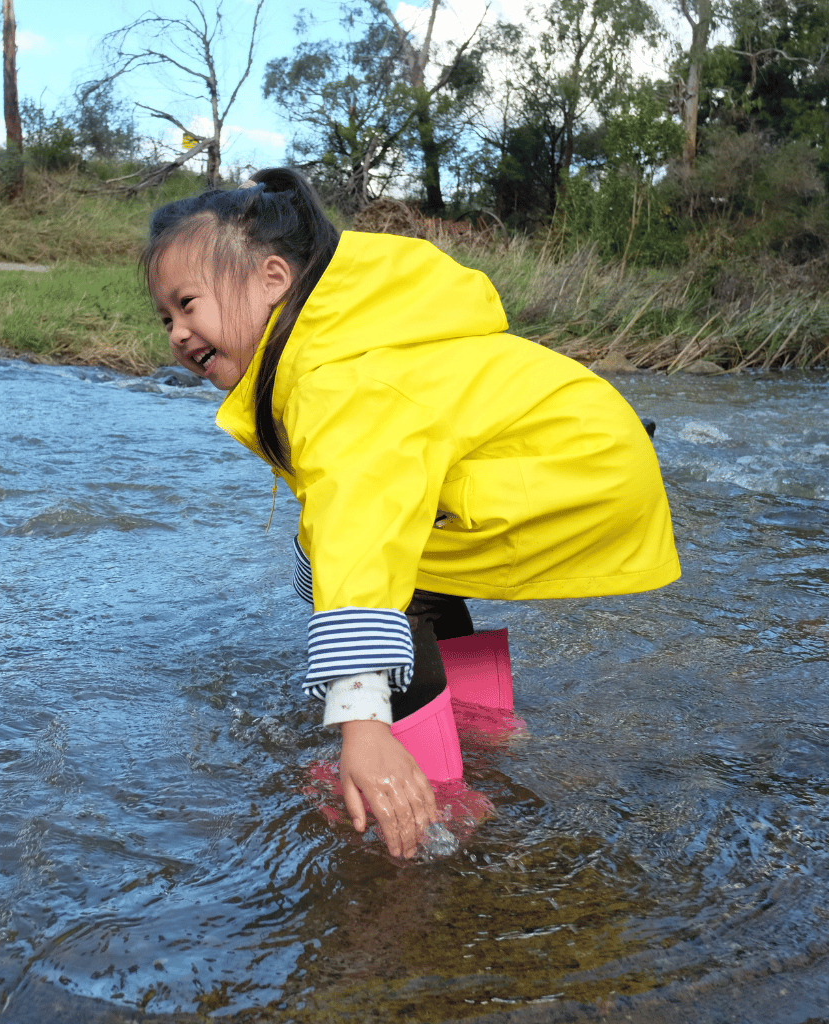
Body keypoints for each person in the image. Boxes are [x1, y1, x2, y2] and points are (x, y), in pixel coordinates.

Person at [143, 167, 680, 860]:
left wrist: (361, 725)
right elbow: (342, 516)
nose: (178, 334)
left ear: (272, 278)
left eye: (189, 303)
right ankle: (482, 723)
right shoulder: (342, 342)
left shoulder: (336, 378)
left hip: (569, 468)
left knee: (393, 572)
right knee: (402, 557)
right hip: (586, 454)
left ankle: (431, 788)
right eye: (166, 318)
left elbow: (363, 538)